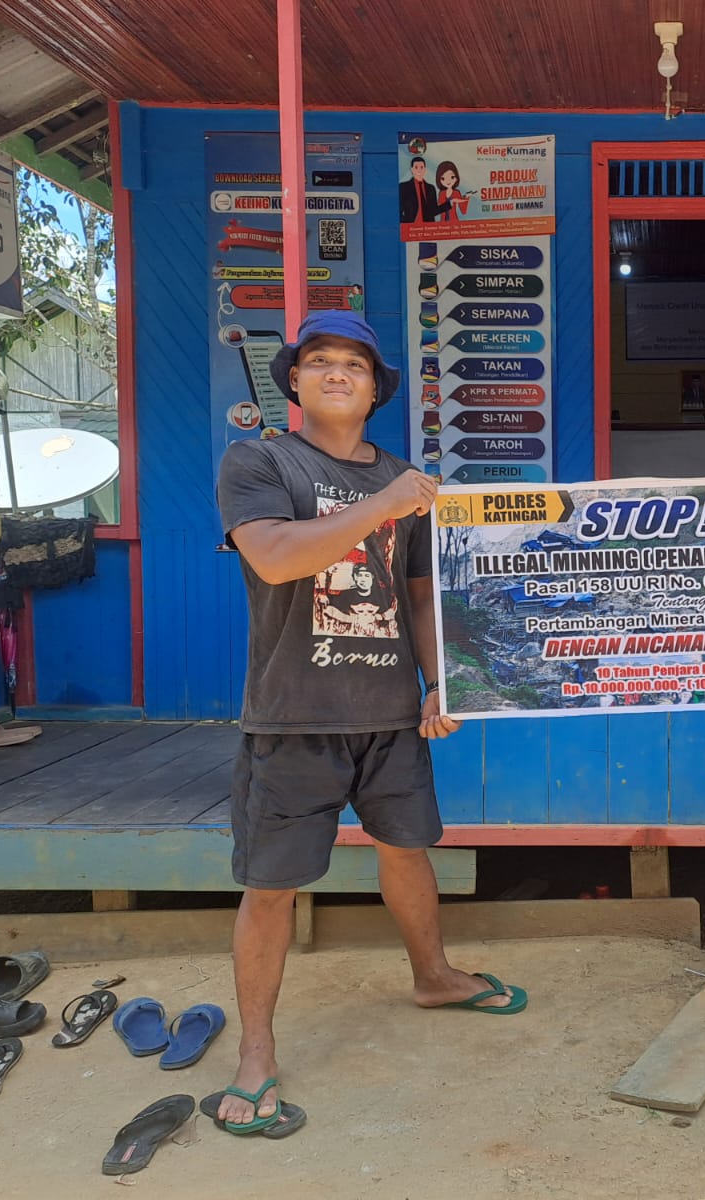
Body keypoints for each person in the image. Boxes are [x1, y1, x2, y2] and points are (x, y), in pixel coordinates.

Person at [214, 310, 527, 1136]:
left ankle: (434, 975)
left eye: (354, 364)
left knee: (407, 848)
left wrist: (442, 683)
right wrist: (385, 503)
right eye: (319, 360)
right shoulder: (260, 460)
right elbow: (275, 557)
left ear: (376, 387)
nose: (337, 372)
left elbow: (419, 594)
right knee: (271, 886)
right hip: (292, 715)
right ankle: (255, 1052)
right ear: (294, 381)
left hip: (389, 712)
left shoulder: (400, 479)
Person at [399, 156, 450, 224]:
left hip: (427, 227)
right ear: (412, 169)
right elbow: (398, 210)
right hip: (411, 227)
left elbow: (433, 211)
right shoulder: (404, 187)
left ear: (425, 169)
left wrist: (450, 203)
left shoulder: (431, 188)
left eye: (421, 167)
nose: (419, 170)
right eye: (416, 167)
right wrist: (406, 224)